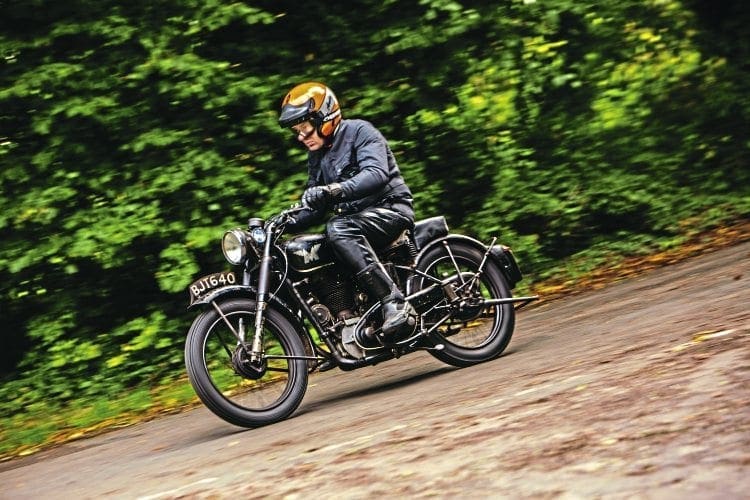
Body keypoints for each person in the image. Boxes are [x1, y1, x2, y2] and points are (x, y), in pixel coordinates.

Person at [278, 81, 416, 341]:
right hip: (357, 222)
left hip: (389, 210)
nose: (301, 136)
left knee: (338, 227)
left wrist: (333, 190)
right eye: (297, 131)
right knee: (308, 247)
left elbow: (376, 174)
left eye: (305, 128)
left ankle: (394, 302)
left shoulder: (359, 131)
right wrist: (278, 225)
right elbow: (314, 207)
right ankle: (344, 319)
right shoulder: (317, 156)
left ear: (325, 118)